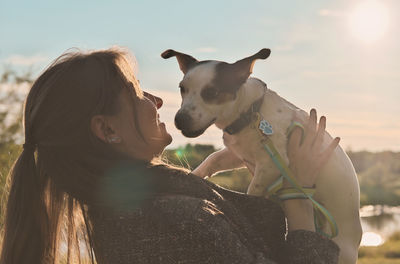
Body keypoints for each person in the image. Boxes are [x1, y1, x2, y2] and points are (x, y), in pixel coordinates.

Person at [0, 48, 340, 264]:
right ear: (107, 130)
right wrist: (298, 191)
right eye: (137, 92)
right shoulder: (175, 224)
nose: (157, 101)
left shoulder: (142, 211)